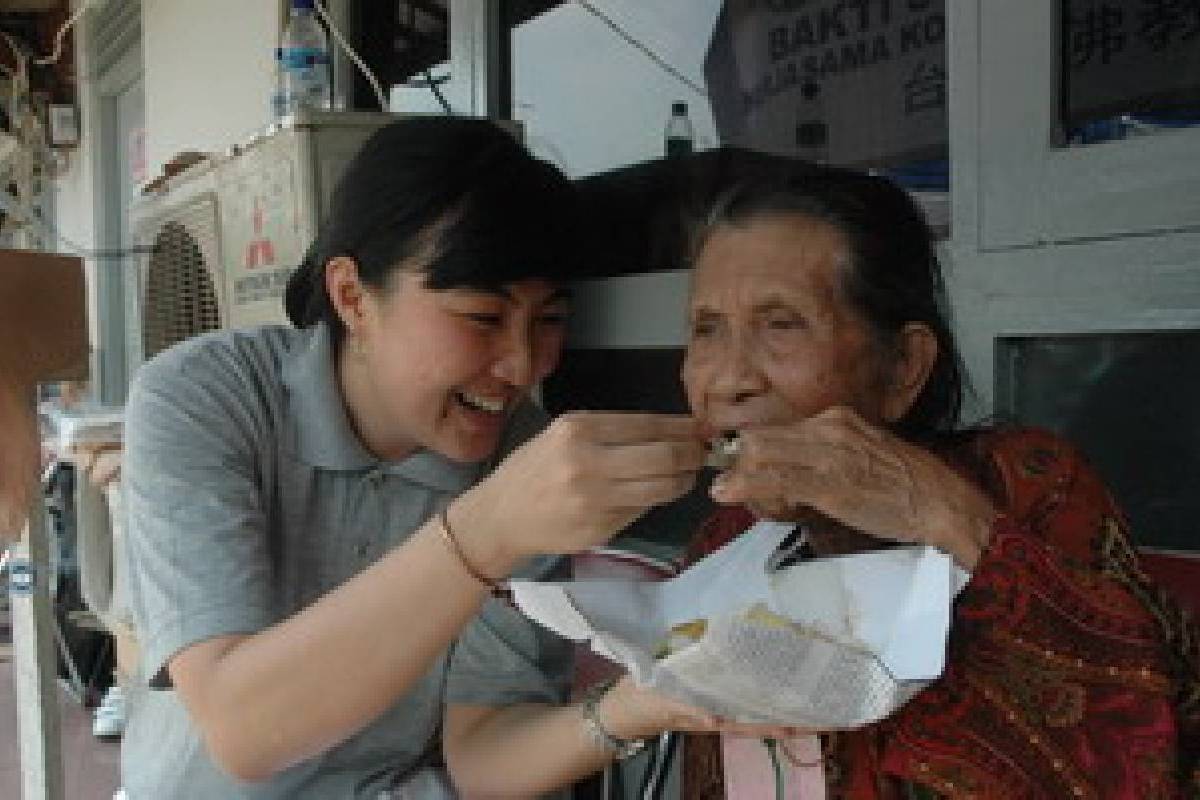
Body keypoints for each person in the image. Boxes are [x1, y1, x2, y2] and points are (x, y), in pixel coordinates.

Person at [118, 117, 789, 799]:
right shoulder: (206, 398)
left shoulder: (525, 458)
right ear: (352, 297)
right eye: (482, 318)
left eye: (549, 320)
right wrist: (488, 529)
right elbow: (243, 728)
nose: (523, 364)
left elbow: (483, 753)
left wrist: (645, 701)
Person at [673, 163, 1200, 798]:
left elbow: (1149, 743)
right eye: (707, 329)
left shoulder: (1027, 484)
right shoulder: (721, 543)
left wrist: (949, 519)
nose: (728, 379)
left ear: (901, 369)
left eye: (781, 324)